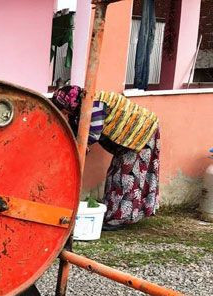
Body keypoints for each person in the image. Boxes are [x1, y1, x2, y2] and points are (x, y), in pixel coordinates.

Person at [52, 85, 160, 229]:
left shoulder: (95, 104)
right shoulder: (79, 108)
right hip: (126, 139)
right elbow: (74, 132)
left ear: (70, 103)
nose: (62, 113)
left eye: (62, 109)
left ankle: (119, 219)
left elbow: (92, 135)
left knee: (126, 176)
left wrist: (77, 149)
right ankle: (111, 214)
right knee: (114, 174)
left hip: (141, 132)